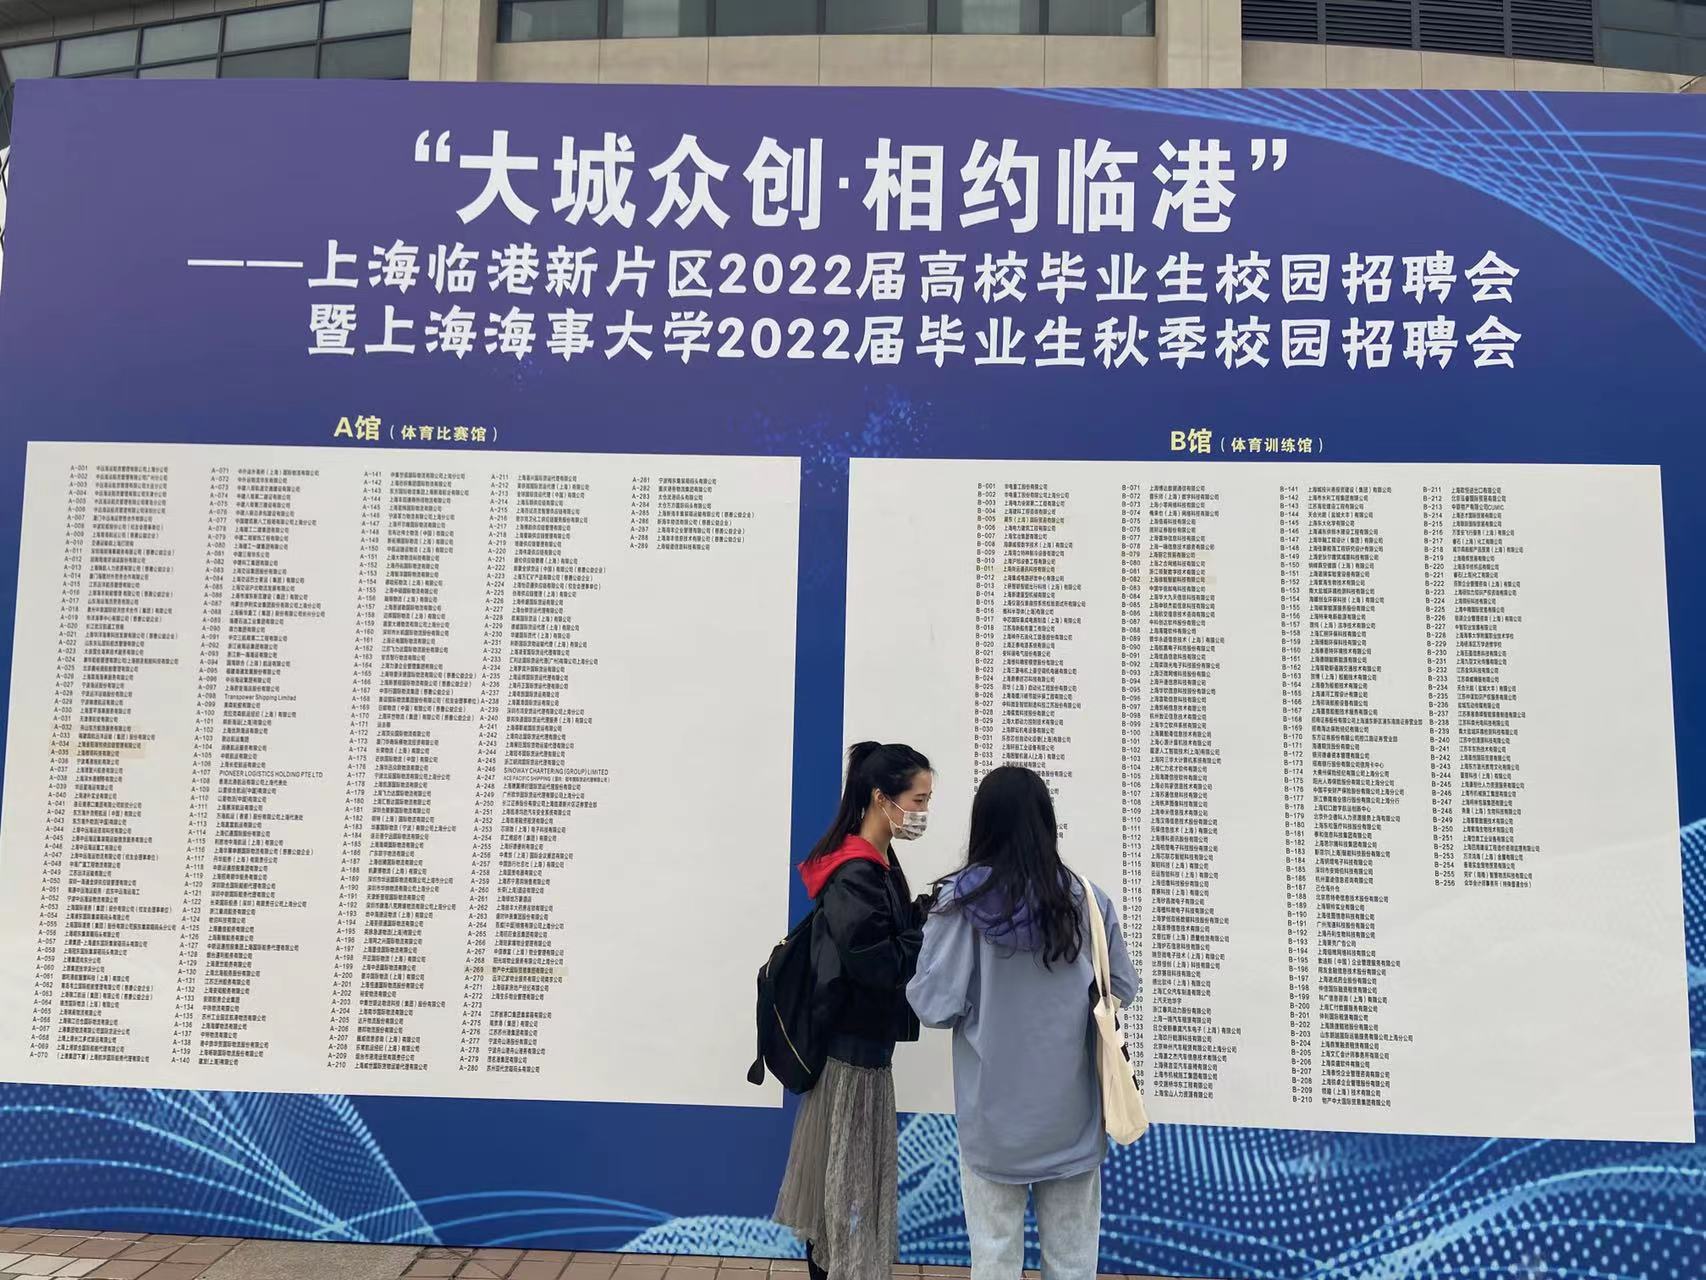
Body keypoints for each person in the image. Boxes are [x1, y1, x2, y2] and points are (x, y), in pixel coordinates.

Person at [907, 766, 1139, 1280]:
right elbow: (1121, 986)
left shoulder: (958, 905)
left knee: (994, 1260)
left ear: (983, 825)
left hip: (992, 1126)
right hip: (1073, 1122)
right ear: (1046, 823)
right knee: (1073, 1263)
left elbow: (933, 1006)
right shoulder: (1087, 900)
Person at [774, 741, 935, 1280]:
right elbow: (877, 963)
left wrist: (927, 909)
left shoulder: (879, 864)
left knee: (846, 1198)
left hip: (866, 1056)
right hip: (849, 1062)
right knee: (839, 1205)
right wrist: (928, 929)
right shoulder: (856, 873)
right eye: (918, 800)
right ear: (882, 798)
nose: (923, 812)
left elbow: (887, 938)